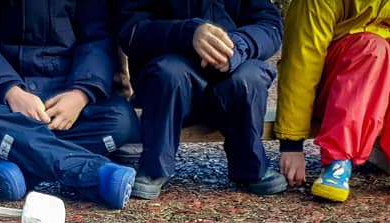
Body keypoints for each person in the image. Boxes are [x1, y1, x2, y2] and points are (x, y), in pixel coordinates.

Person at [0, 0, 140, 209]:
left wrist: (81, 93)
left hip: (68, 86)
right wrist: (10, 90)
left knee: (120, 121)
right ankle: (97, 174)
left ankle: (25, 167)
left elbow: (98, 38)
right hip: (7, 89)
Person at [274, 0, 390, 203]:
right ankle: (338, 160)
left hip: (384, 91)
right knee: (371, 46)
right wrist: (291, 146)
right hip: (333, 91)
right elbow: (300, 65)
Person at [118, 0, 286, 200]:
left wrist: (238, 45)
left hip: (234, 66)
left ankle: (251, 167)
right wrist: (189, 33)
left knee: (249, 79)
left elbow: (270, 25)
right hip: (171, 70)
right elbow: (132, 30)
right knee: (169, 74)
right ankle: (154, 167)